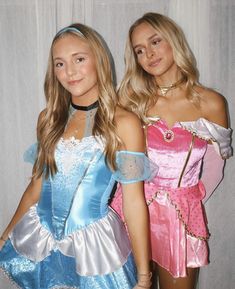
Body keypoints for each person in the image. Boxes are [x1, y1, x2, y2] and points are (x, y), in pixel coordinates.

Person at [0, 23, 154, 289]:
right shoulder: (48, 119)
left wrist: (143, 275)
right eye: (59, 64)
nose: (69, 71)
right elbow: (36, 186)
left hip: (93, 248)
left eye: (79, 59)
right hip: (42, 242)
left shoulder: (124, 123)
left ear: (99, 60)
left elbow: (134, 204)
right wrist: (5, 235)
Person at [111, 12, 232, 289]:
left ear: (174, 41)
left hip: (180, 220)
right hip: (128, 211)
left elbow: (215, 167)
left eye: (155, 42)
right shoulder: (129, 99)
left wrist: (189, 196)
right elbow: (112, 158)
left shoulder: (212, 102)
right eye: (139, 50)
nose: (148, 54)